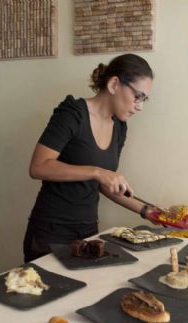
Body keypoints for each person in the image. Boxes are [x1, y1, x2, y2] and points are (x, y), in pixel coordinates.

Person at [23, 53, 159, 262]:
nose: (140, 106)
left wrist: (147, 211)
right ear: (114, 84)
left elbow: (106, 183)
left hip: (88, 232)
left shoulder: (119, 127)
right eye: (138, 96)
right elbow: (38, 167)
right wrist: (96, 172)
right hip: (51, 231)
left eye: (144, 99)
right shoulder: (72, 113)